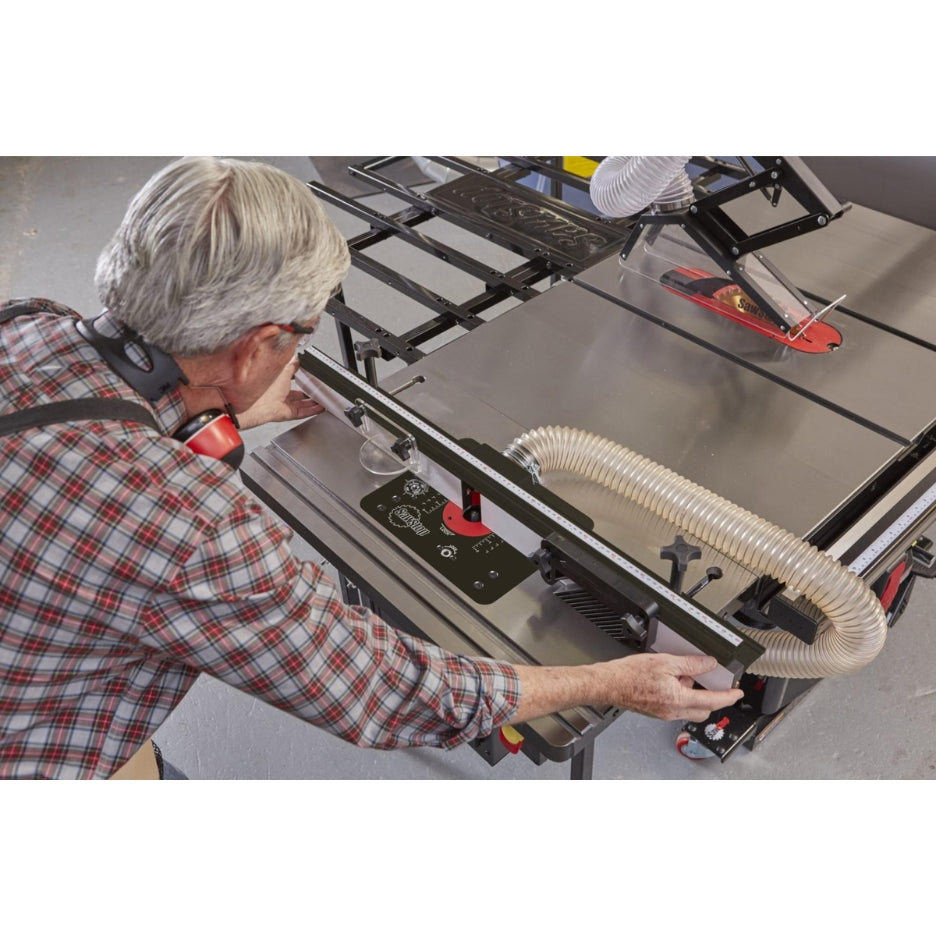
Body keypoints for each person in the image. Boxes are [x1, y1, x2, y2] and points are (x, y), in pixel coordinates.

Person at [0, 156, 742, 780]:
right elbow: (380, 688)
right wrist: (614, 680)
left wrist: (221, 409)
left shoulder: (24, 322)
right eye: (299, 335)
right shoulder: (195, 530)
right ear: (255, 347)